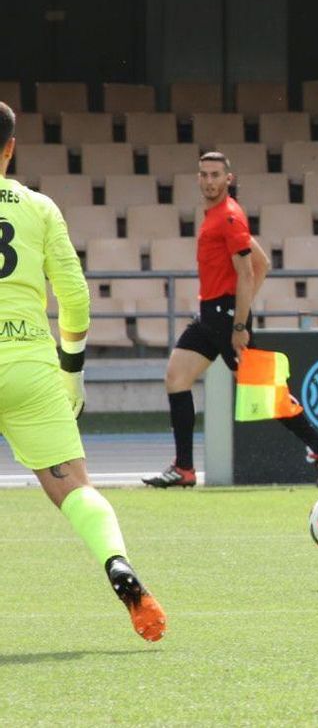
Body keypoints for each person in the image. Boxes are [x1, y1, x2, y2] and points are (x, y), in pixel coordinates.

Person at [0, 103, 166, 640]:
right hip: (30, 366)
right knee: (75, 489)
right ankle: (117, 562)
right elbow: (74, 298)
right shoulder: (39, 208)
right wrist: (71, 371)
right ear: (10, 148)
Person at [144, 151, 318, 488]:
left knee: (266, 391)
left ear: (228, 179)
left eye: (215, 175)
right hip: (211, 314)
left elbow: (248, 271)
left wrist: (239, 322)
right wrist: (239, 304)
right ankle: (184, 469)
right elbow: (263, 264)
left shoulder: (230, 217)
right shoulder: (216, 216)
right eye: (204, 175)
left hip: (225, 318)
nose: (209, 181)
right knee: (176, 378)